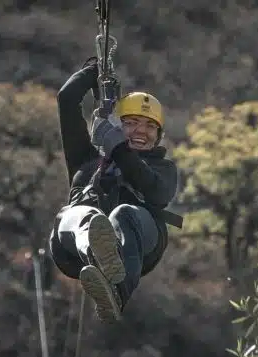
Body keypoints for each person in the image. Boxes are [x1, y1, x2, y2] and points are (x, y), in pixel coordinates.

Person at [48, 58, 183, 323]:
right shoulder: (86, 159)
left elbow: (155, 191)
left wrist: (117, 146)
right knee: (81, 214)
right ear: (117, 125)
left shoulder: (163, 168)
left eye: (150, 126)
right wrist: (94, 71)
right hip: (73, 249)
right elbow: (67, 99)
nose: (141, 131)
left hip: (136, 247)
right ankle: (96, 252)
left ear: (159, 135)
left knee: (123, 213)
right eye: (131, 123)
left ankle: (116, 293)